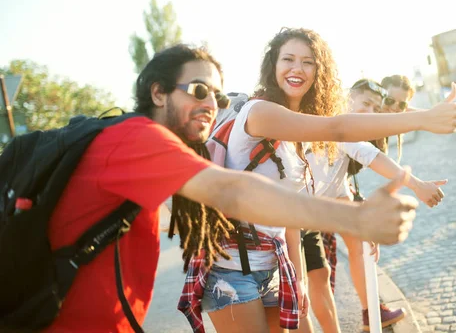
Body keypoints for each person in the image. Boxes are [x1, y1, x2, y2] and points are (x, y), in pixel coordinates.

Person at [43, 44, 421, 333]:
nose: (210, 104)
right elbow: (232, 192)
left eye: (218, 96)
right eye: (197, 89)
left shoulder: (163, 145)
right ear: (158, 94)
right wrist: (354, 218)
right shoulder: (136, 139)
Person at [181, 28, 456, 333]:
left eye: (308, 62)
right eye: (288, 59)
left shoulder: (297, 137)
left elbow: (287, 212)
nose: (297, 69)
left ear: (319, 72)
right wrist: (422, 119)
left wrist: (299, 278)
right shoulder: (260, 111)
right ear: (273, 66)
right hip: (230, 270)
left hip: (273, 267)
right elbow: (338, 128)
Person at [302, 79, 448, 333]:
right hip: (288, 213)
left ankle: (370, 312)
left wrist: (363, 222)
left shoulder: (349, 135)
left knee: (322, 275)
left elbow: (340, 188)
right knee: (295, 288)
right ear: (346, 98)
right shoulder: (340, 124)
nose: (370, 113)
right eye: (365, 104)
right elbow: (375, 158)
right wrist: (416, 185)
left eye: (374, 109)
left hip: (314, 210)